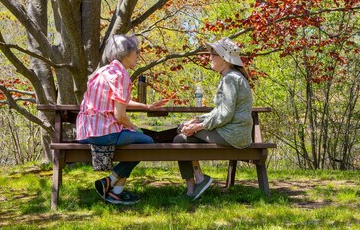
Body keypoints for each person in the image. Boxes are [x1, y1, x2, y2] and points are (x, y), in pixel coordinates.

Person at [76, 34, 169, 205]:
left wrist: (147, 107)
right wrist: (133, 127)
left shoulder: (105, 71)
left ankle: (115, 192)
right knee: (147, 142)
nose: (138, 56)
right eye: (136, 52)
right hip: (104, 132)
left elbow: (120, 101)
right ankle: (110, 180)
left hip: (86, 130)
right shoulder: (121, 75)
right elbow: (119, 116)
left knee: (138, 140)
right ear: (126, 54)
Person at [174, 37, 253, 200]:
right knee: (184, 136)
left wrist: (197, 127)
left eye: (213, 54)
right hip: (234, 131)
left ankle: (192, 188)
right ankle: (199, 180)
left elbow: (225, 114)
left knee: (179, 138)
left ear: (224, 59)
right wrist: (196, 120)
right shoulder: (230, 76)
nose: (210, 57)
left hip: (232, 134)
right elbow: (220, 111)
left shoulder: (231, 78)